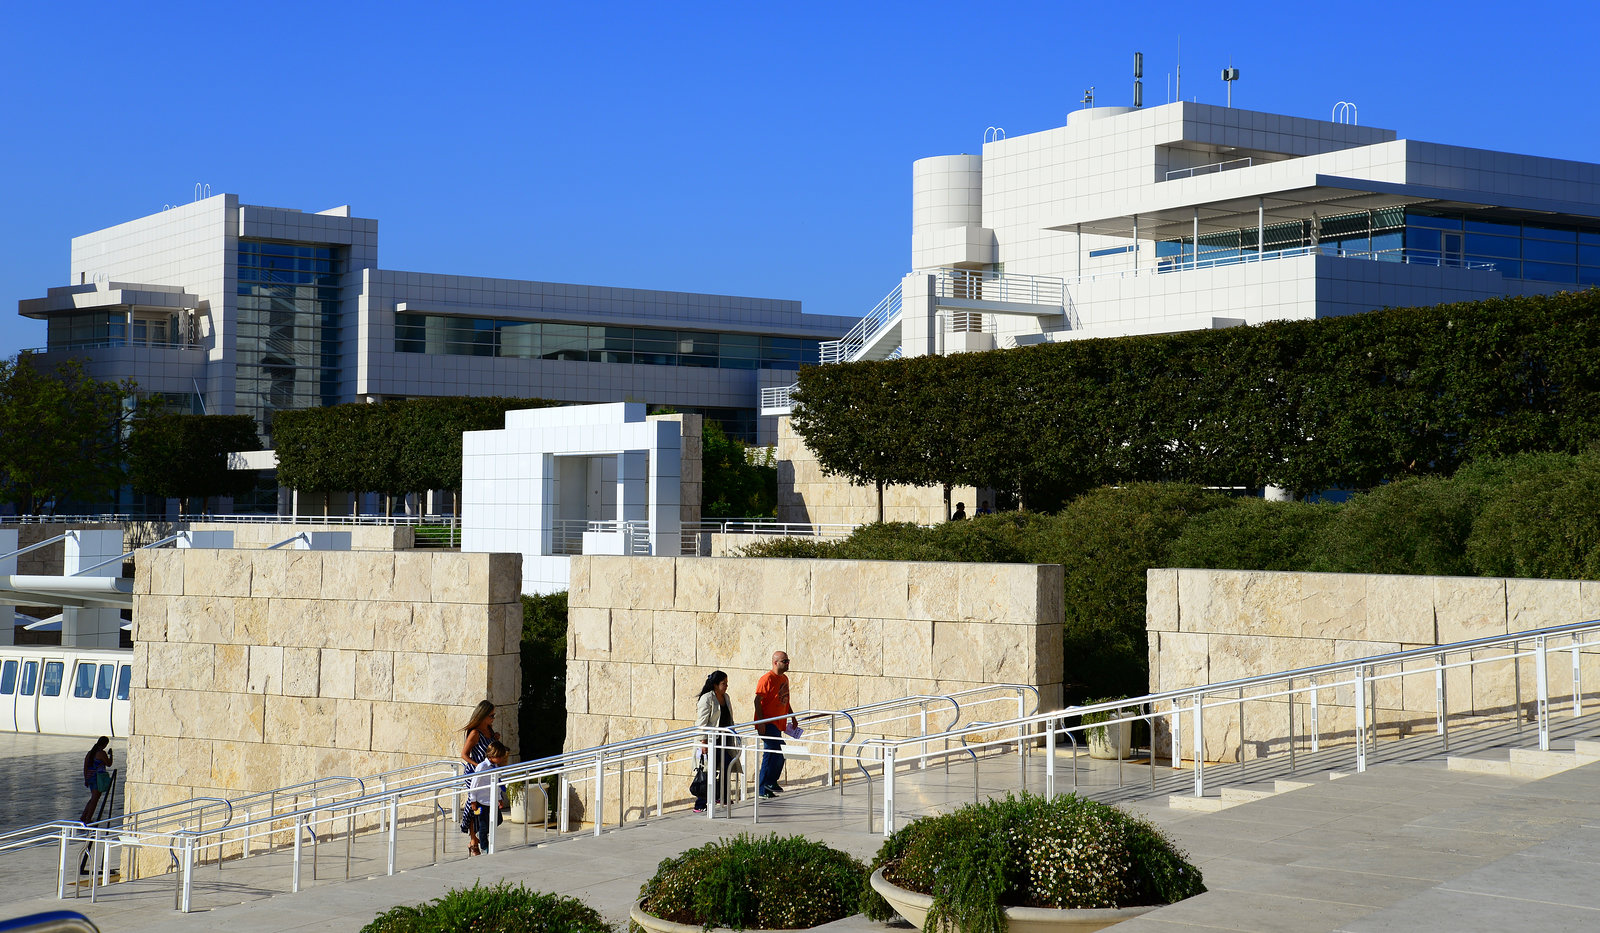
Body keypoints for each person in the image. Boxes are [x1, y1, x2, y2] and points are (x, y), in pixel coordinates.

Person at [753, 651, 797, 799]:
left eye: (788, 661)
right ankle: (765, 786)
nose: (787, 663)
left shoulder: (784, 679)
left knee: (776, 753)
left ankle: (768, 784)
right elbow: (757, 701)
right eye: (784, 661)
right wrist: (761, 722)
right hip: (768, 722)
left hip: (779, 723)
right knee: (773, 751)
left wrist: (793, 717)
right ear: (775, 662)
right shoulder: (767, 679)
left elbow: (785, 699)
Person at [693, 670, 736, 813]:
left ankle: (721, 796)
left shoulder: (726, 697)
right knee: (708, 771)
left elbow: (728, 718)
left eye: (727, 683)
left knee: (727, 764)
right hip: (710, 741)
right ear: (715, 685)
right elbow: (701, 723)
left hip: (724, 740)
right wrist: (703, 743)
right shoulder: (707, 699)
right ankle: (700, 804)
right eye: (723, 683)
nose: (726, 686)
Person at [461, 740, 509, 855]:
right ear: (493, 755)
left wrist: (499, 798)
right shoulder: (482, 767)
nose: (502, 759)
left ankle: (481, 834)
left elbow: (496, 783)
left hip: (491, 800)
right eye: (500, 757)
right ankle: (484, 846)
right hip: (481, 801)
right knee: (483, 823)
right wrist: (473, 801)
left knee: (498, 819)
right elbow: (474, 785)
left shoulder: (495, 766)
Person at [79, 736, 112, 824]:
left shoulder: (90, 753)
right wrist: (111, 755)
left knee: (93, 798)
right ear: (105, 744)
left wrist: (85, 778)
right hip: (98, 778)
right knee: (95, 799)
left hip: (90, 777)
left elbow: (85, 766)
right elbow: (109, 764)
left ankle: (83, 816)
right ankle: (88, 818)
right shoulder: (101, 753)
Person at [459, 701, 499, 771]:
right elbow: (464, 755)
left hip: (489, 771)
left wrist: (496, 740)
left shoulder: (489, 729)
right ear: (483, 716)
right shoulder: (475, 733)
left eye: (494, 715)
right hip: (477, 773)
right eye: (491, 716)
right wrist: (479, 766)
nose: (493, 718)